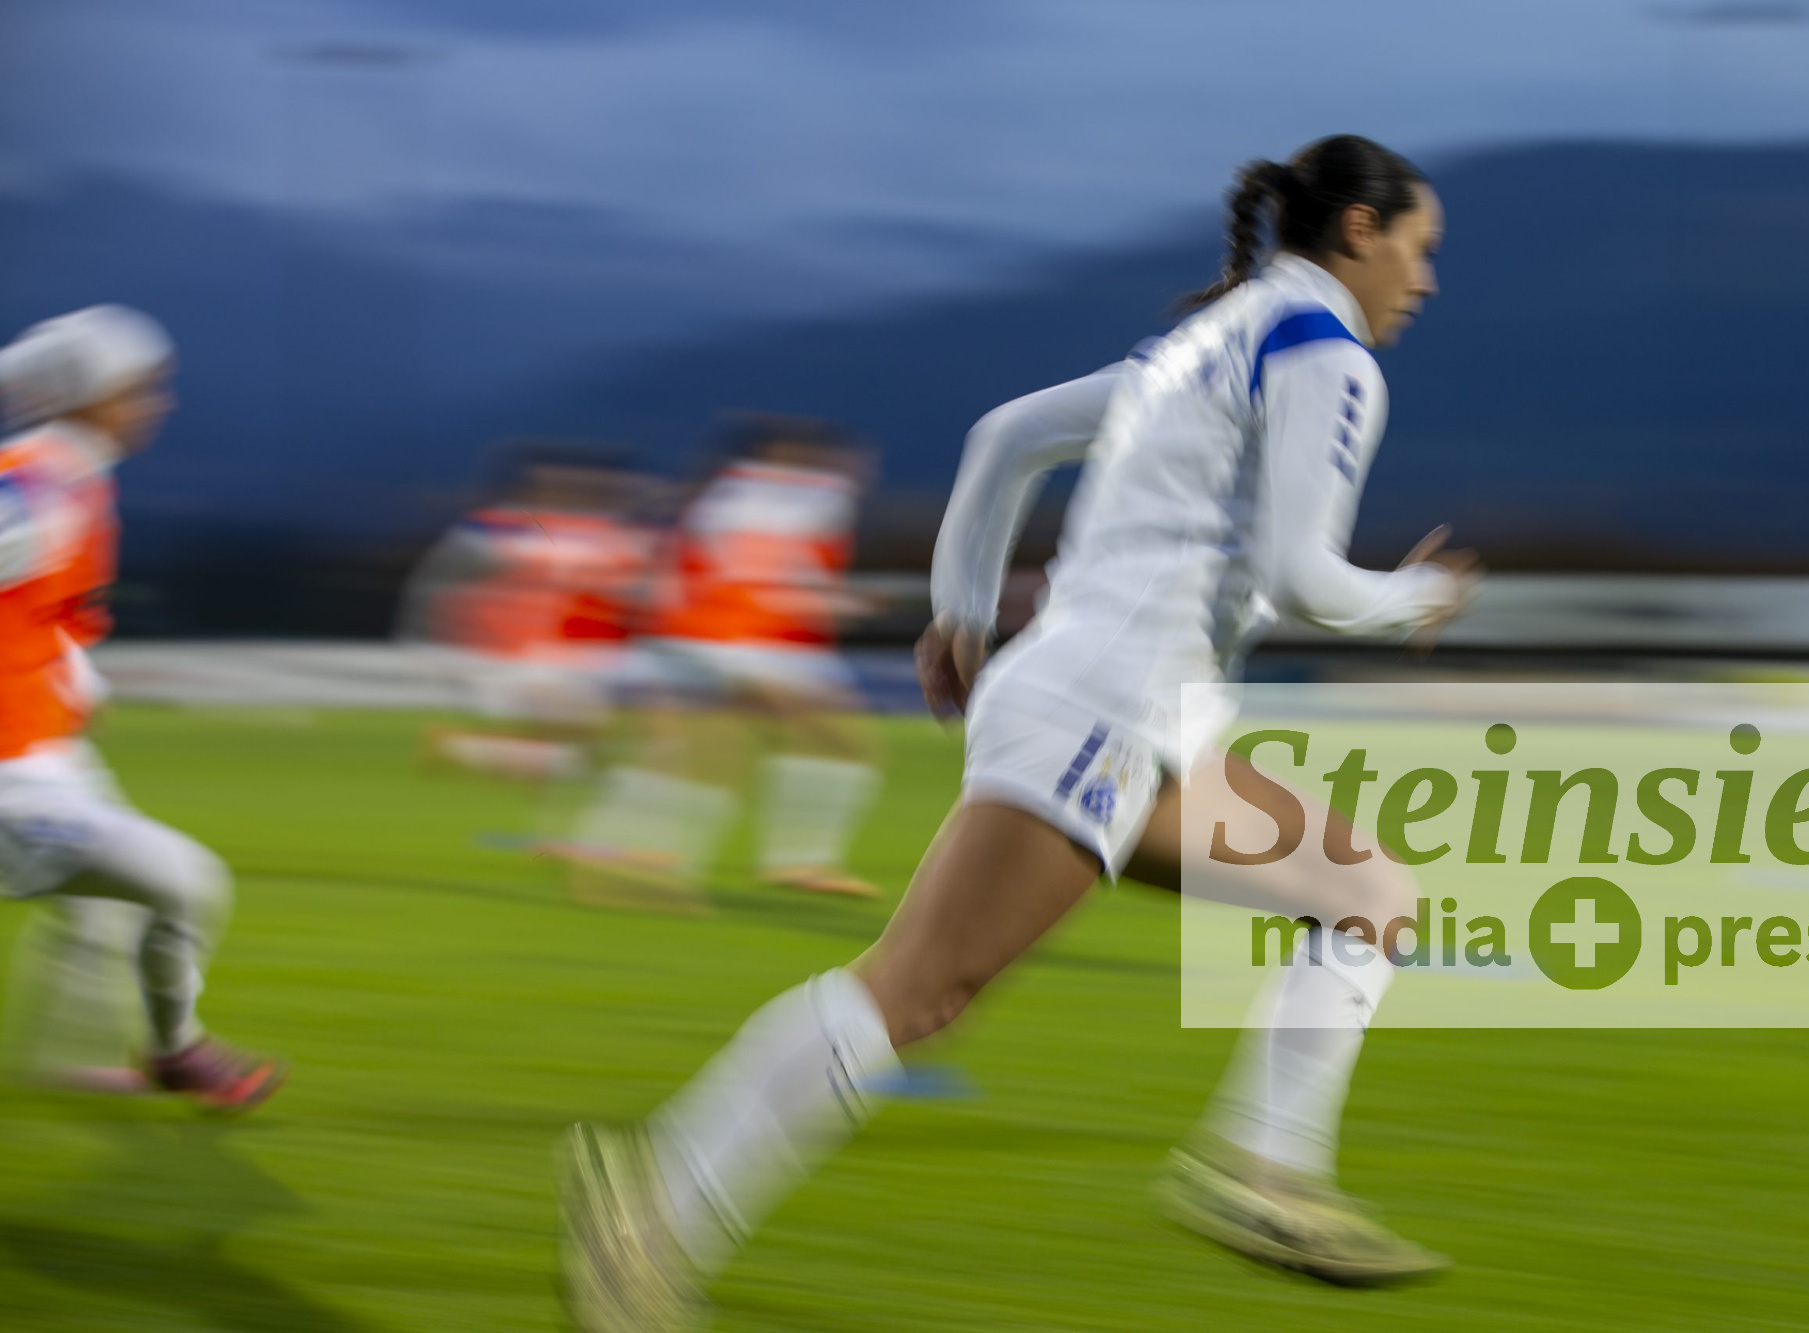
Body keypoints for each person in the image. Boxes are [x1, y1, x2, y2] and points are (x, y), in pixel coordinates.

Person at [556, 134, 1481, 1329]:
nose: (1425, 279)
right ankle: (654, 1205)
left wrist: (959, 610)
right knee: (915, 991)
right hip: (1102, 713)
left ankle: (1264, 1170)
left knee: (1365, 891)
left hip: (1122, 717)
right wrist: (1414, 597)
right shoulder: (1322, 350)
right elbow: (1304, 577)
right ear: (1358, 229)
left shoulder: (1201, 340)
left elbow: (1005, 437)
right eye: (1419, 248)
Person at [0, 305, 284, 1110]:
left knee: (107, 909)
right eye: (141, 386)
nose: (159, 402)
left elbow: (40, 615)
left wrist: (75, 682)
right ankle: (175, 1052)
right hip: (13, 777)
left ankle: (84, 1067)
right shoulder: (42, 483)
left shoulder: (68, 476)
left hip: (46, 758)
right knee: (187, 882)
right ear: (88, 393)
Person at [566, 417, 883, 899]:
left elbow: (695, 571)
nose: (862, 469)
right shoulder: (808, 495)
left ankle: (619, 848)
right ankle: (798, 861)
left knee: (708, 751)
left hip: (683, 638)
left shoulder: (721, 492)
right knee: (840, 745)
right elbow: (761, 575)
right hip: (745, 643)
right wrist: (833, 604)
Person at [399, 442, 654, 781]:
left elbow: (634, 596)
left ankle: (464, 748)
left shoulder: (611, 535)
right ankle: (462, 747)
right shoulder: (500, 528)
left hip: (569, 658)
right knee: (582, 756)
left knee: (578, 757)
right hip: (519, 658)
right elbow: (441, 585)